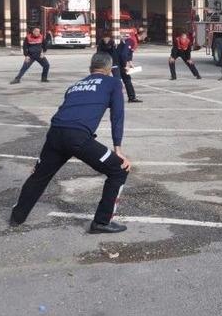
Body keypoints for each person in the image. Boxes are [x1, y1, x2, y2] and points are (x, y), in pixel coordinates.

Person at [10, 53, 132, 233]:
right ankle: (102, 222)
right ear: (109, 69)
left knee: (39, 176)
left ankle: (17, 218)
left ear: (90, 68)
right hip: (78, 137)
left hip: (55, 133)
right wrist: (118, 150)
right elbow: (117, 116)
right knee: (118, 170)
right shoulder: (113, 83)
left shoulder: (74, 86)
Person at [114, 36, 141, 103]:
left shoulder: (132, 40)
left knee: (127, 79)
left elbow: (129, 52)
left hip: (120, 62)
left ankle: (132, 98)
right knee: (117, 81)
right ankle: (114, 99)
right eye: (145, 34)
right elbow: (124, 54)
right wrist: (125, 65)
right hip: (116, 63)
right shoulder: (131, 40)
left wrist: (130, 62)